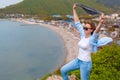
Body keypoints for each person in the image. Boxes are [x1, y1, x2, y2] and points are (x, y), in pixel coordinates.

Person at [60, 3, 113, 80]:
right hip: (78, 61)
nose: (84, 29)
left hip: (86, 64)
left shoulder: (92, 39)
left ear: (91, 30)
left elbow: (96, 33)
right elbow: (77, 22)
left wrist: (101, 22)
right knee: (63, 70)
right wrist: (74, 9)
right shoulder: (83, 35)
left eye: (86, 28)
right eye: (84, 27)